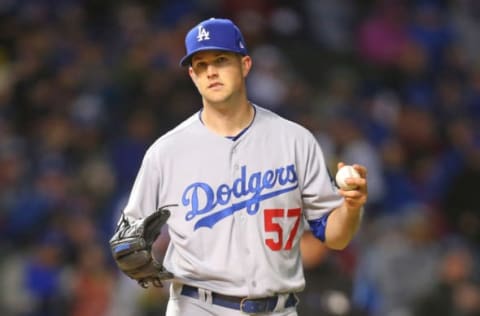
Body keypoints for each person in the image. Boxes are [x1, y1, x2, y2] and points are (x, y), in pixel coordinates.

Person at [117, 17, 368, 316]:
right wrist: (133, 254)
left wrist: (351, 208)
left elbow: (335, 237)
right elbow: (128, 240)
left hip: (278, 308)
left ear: (245, 65)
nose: (211, 72)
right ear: (193, 76)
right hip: (198, 306)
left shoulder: (295, 141)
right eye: (201, 65)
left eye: (221, 60)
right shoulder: (166, 152)